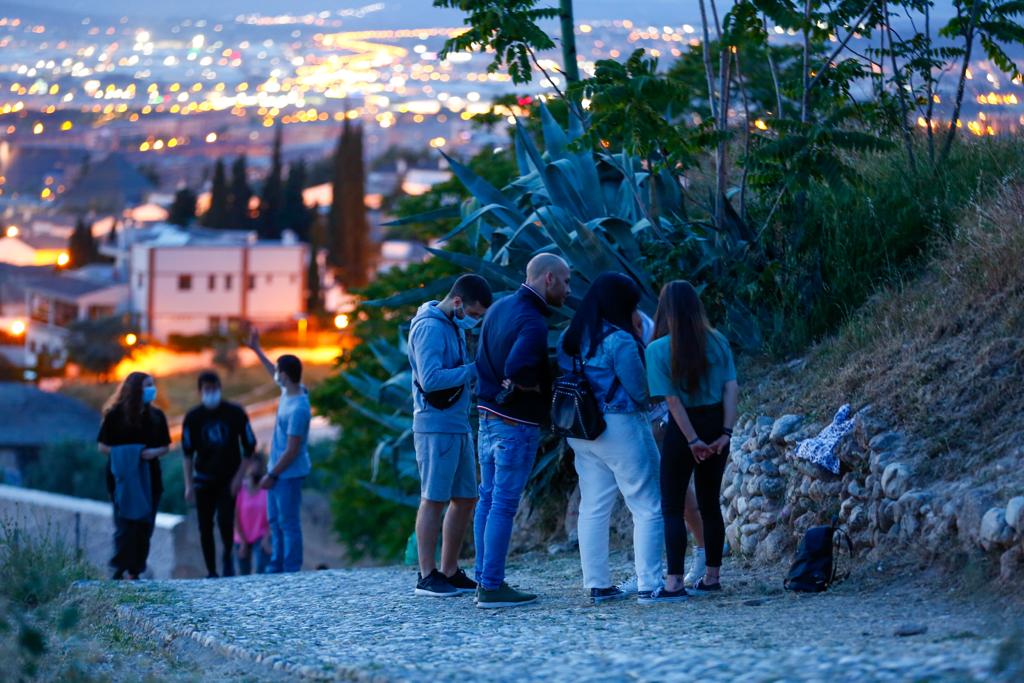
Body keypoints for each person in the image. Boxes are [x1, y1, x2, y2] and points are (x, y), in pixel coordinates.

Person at [557, 273, 683, 604]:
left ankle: (597, 584)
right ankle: (649, 583)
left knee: (594, 506)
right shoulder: (620, 341)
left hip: (581, 430)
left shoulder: (570, 338)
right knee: (647, 504)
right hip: (619, 427)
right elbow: (641, 393)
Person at [474, 253, 571, 608]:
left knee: (487, 499)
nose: (568, 289)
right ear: (548, 279)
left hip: (486, 417)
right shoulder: (533, 323)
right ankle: (492, 586)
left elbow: (483, 358)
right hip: (515, 424)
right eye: (566, 280)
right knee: (503, 503)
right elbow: (516, 368)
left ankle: (484, 580)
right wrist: (534, 388)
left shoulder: (498, 308)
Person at [647, 281, 739, 594]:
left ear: (665, 310)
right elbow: (731, 388)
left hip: (683, 427)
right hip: (716, 421)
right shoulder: (719, 341)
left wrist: (691, 440)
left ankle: (673, 583)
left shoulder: (658, 349)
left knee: (672, 506)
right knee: (710, 503)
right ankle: (712, 578)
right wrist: (725, 432)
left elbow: (672, 401)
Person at [408, 274, 493, 597]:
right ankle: (428, 575)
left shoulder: (451, 324)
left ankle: (450, 569)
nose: (474, 321)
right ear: (457, 302)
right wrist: (475, 369)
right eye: (473, 314)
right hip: (435, 426)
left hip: (455, 423)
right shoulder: (430, 327)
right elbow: (431, 380)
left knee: (465, 497)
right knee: (434, 498)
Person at [244, 329, 312, 573]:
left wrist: (272, 474)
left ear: (285, 375)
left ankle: (290, 567)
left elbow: (293, 449)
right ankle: (277, 563)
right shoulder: (290, 392)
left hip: (288, 473)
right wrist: (257, 350)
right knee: (275, 520)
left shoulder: (299, 408)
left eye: (278, 371)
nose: (275, 375)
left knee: (288, 522)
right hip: (277, 471)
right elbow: (271, 371)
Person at [182, 370, 257, 578]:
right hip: (203, 479)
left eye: (215, 389)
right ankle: (211, 570)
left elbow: (250, 446)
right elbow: (187, 454)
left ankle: (227, 560)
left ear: (220, 388)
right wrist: (188, 485)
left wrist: (239, 477)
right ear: (200, 391)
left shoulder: (235, 413)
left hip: (229, 479)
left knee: (226, 521)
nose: (211, 393)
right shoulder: (193, 417)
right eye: (207, 389)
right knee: (204, 525)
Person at [97, 372, 171, 580]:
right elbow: (103, 446)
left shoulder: (157, 417)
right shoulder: (115, 415)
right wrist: (129, 455)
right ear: (135, 389)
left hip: (150, 477)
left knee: (145, 524)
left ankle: (136, 569)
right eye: (147, 385)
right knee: (125, 525)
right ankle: (119, 567)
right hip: (122, 478)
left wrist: (150, 454)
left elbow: (165, 446)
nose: (152, 389)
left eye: (152, 385)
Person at [234, 455, 271, 575]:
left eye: (259, 466)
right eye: (253, 465)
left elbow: (273, 516)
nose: (256, 469)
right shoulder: (240, 489)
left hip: (261, 536)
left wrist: (266, 538)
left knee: (262, 568)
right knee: (243, 574)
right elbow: (235, 517)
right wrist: (243, 541)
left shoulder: (267, 490)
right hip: (241, 536)